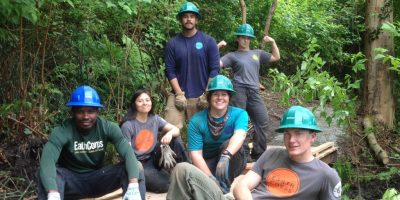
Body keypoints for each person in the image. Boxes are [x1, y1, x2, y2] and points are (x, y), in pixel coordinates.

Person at [166, 106, 342, 200]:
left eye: (298, 133)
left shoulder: (326, 175)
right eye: (287, 134)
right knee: (183, 170)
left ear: (312, 137)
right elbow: (242, 186)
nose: (291, 140)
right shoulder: (272, 154)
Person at [37, 85, 145, 200]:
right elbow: (47, 162)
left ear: (98, 111)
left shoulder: (108, 128)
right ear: (72, 112)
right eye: (80, 112)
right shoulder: (62, 131)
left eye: (90, 111)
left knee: (135, 167)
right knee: (47, 173)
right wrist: (52, 191)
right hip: (71, 182)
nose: (86, 116)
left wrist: (133, 184)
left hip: (98, 179)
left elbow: (128, 154)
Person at [167, 75, 249, 198]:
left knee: (228, 144)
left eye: (224, 94)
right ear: (209, 97)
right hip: (207, 160)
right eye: (216, 94)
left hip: (233, 158)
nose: (220, 98)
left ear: (229, 97)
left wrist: (226, 155)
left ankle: (224, 188)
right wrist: (210, 179)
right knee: (200, 181)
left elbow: (240, 135)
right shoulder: (197, 121)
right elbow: (196, 154)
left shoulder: (240, 114)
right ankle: (218, 193)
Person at [220, 23, 281, 160]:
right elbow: (217, 64)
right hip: (238, 90)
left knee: (262, 120)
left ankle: (259, 153)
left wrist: (273, 42)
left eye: (248, 38)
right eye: (242, 37)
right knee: (239, 121)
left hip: (254, 91)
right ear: (238, 38)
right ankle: (242, 153)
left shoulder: (257, 53)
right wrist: (217, 47)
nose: (245, 40)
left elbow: (276, 57)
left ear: (250, 39)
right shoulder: (232, 55)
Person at [164, 1, 220, 130]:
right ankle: (174, 150)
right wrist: (178, 93)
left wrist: (207, 94)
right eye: (185, 16)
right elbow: (170, 70)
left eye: (192, 16)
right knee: (169, 130)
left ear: (196, 19)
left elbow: (214, 69)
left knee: (203, 134)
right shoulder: (172, 44)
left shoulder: (208, 41)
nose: (188, 19)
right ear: (180, 19)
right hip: (178, 95)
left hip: (201, 97)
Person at [120, 89, 189, 193]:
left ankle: (188, 171)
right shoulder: (128, 125)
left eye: (147, 100)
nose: (145, 103)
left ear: (151, 102)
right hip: (139, 164)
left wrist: (169, 134)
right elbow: (127, 155)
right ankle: (149, 179)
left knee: (175, 140)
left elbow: (176, 130)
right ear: (134, 104)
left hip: (154, 156)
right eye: (140, 101)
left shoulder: (155, 119)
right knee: (166, 184)